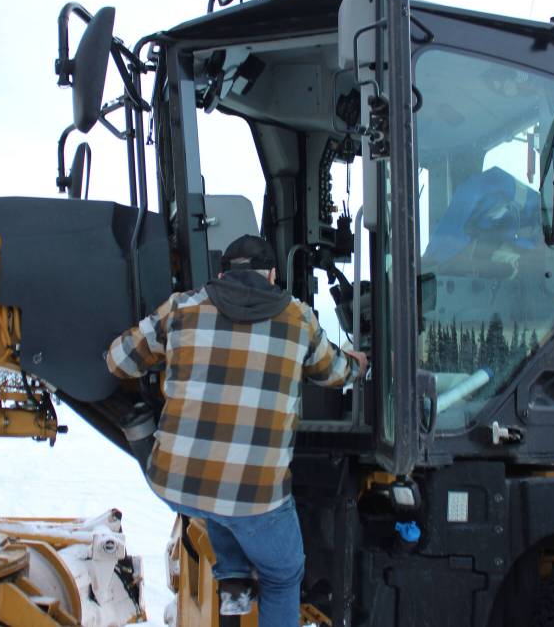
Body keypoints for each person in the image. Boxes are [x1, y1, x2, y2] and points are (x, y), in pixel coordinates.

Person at [106, 234, 367, 627]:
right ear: (273, 274)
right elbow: (335, 373)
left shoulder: (182, 307)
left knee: (217, 498)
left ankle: (233, 584)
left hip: (176, 486)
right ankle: (235, 582)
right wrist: (359, 364)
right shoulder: (298, 318)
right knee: (282, 574)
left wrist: (172, 358)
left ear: (223, 272)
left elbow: (118, 361)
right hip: (256, 501)